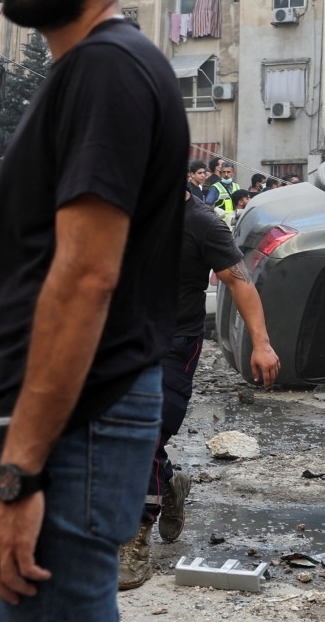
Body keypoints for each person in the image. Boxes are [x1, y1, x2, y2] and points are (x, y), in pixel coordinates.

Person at [0, 0, 187, 619]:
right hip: (73, 422)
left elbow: (86, 277)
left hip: (75, 428)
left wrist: (20, 476)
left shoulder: (106, 70)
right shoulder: (87, 71)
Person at [120, 184, 280, 589]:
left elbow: (240, 282)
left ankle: (134, 540)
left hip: (174, 344)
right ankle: (170, 483)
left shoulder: (202, 224)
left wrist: (261, 344)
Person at [204, 159, 241, 225]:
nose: (226, 174)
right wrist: (215, 209)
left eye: (228, 172)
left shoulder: (237, 186)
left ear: (233, 173)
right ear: (221, 173)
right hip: (221, 223)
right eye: (223, 172)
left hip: (235, 223)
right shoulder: (215, 187)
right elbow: (207, 205)